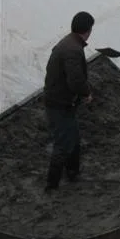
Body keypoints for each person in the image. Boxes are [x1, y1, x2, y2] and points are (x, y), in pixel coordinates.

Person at [43, 11, 95, 193]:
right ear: (88, 30)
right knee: (63, 143)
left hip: (62, 101)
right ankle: (52, 185)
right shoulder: (73, 50)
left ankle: (73, 173)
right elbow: (75, 80)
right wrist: (86, 93)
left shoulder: (69, 43)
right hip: (58, 103)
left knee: (73, 137)